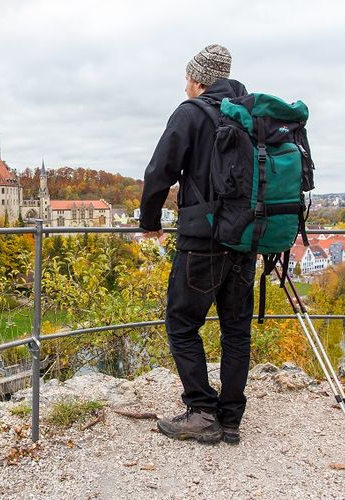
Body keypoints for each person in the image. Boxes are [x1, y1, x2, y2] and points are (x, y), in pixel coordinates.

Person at [139, 44, 254, 445]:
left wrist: (149, 222)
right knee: (236, 329)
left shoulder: (191, 113)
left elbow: (159, 172)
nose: (185, 84)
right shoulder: (249, 114)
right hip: (245, 239)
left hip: (202, 241)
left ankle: (202, 411)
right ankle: (232, 417)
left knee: (182, 323)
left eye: (188, 77)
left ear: (198, 79)